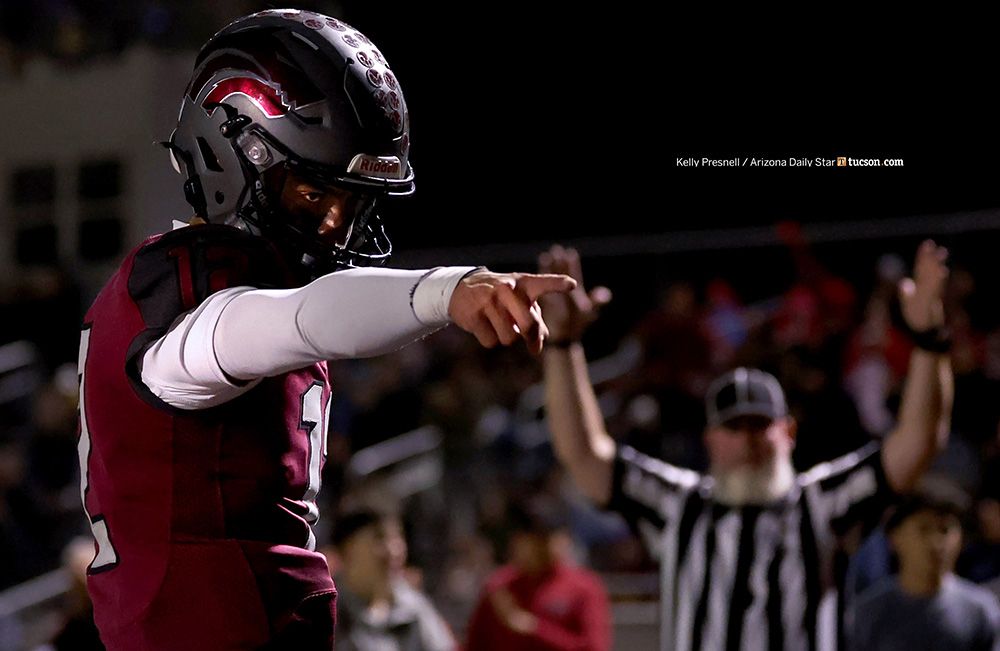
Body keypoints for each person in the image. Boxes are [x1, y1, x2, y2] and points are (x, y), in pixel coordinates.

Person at [75, 9, 574, 649]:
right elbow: (295, 320)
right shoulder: (186, 301)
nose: (337, 222)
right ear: (234, 154)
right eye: (315, 193)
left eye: (352, 200)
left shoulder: (222, 290)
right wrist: (445, 292)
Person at [538, 241, 953, 650]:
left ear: (788, 433)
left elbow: (918, 443)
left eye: (760, 425)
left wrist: (930, 339)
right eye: (734, 428)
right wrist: (562, 346)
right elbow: (584, 453)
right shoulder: (678, 504)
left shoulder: (824, 502)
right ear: (710, 439)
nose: (748, 439)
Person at [849, 482, 1000, 650]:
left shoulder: (979, 612)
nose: (936, 543)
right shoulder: (869, 613)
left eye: (944, 530)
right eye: (924, 529)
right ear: (894, 537)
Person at [465, 500, 612, 650]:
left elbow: (594, 647)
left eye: (546, 537)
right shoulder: (500, 587)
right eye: (534, 538)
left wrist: (535, 628)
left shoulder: (583, 587)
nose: (540, 547)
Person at [324, 507, 456, 651]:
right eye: (379, 538)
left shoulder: (415, 608)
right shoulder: (326, 610)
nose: (394, 551)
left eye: (398, 537)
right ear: (348, 548)